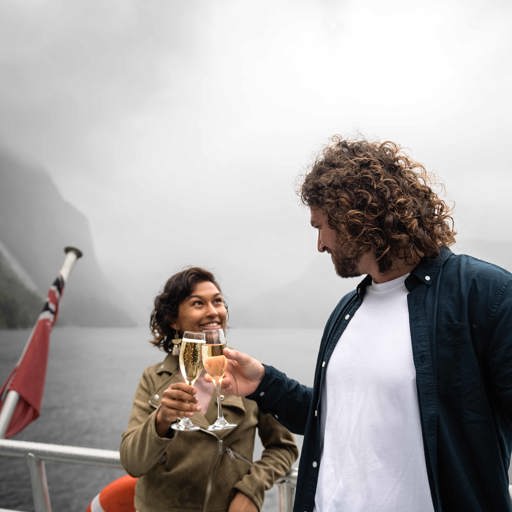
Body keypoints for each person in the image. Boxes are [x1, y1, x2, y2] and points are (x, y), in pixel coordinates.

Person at [220, 137, 512, 512]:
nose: (320, 245)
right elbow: (339, 414)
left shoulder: (486, 296)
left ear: (353, 214)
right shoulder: (347, 310)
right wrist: (263, 383)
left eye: (320, 226)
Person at [120, 267, 298, 512]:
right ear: (173, 319)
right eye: (198, 303)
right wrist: (161, 419)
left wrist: (251, 490)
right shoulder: (153, 378)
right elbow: (132, 463)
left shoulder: (248, 375)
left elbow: (284, 447)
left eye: (218, 302)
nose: (213, 311)